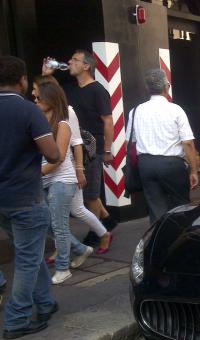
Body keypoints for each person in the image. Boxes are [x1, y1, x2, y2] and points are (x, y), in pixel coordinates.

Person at [0, 55, 60, 339]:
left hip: (1, 200)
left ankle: (46, 302)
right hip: (25, 196)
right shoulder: (29, 111)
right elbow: (52, 153)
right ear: (22, 80)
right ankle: (17, 318)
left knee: (29, 252)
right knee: (26, 259)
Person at [42, 51, 118, 247]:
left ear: (86, 66)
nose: (69, 62)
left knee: (90, 195)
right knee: (88, 194)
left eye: (74, 60)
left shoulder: (97, 90)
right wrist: (47, 74)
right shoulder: (71, 89)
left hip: (93, 149)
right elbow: (52, 93)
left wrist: (108, 151)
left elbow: (108, 122)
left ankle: (98, 233)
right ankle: (107, 222)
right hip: (76, 147)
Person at [36, 81, 93, 284]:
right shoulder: (40, 121)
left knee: (59, 226)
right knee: (47, 223)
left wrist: (36, 173)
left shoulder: (63, 123)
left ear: (50, 99)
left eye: (38, 97)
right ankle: (80, 249)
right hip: (44, 178)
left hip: (61, 179)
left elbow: (59, 157)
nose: (34, 101)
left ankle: (63, 268)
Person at [126, 69, 199, 224]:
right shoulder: (176, 110)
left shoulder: (135, 111)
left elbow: (132, 141)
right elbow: (187, 143)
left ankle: (158, 242)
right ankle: (179, 239)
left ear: (147, 88)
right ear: (167, 87)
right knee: (181, 206)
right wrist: (194, 170)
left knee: (155, 208)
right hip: (172, 165)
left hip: (146, 165)